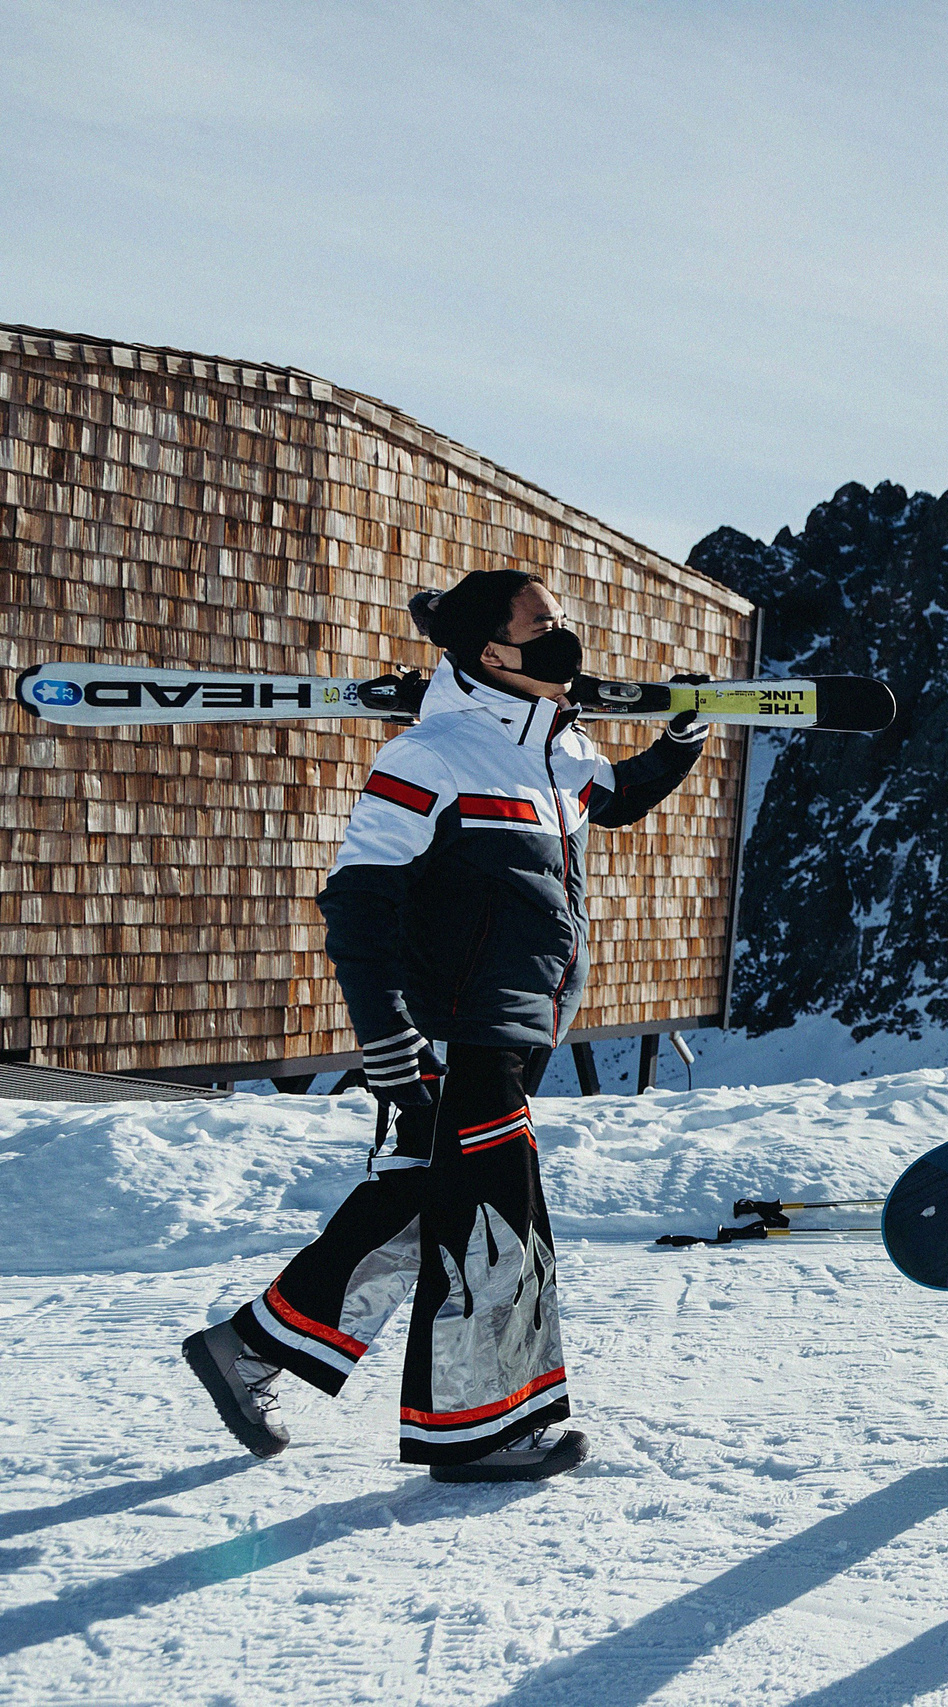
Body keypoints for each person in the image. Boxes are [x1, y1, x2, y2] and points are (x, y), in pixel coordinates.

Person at [182, 569, 710, 1482]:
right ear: (491, 653)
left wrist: (680, 745)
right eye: (542, 624)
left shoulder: (560, 752)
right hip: (454, 1033)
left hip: (515, 1021)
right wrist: (391, 1045)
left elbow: (613, 798)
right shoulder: (432, 756)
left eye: (564, 622)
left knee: (421, 1208)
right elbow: (358, 901)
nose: (565, 636)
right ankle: (482, 1430)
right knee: (493, 1222)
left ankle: (249, 1347)